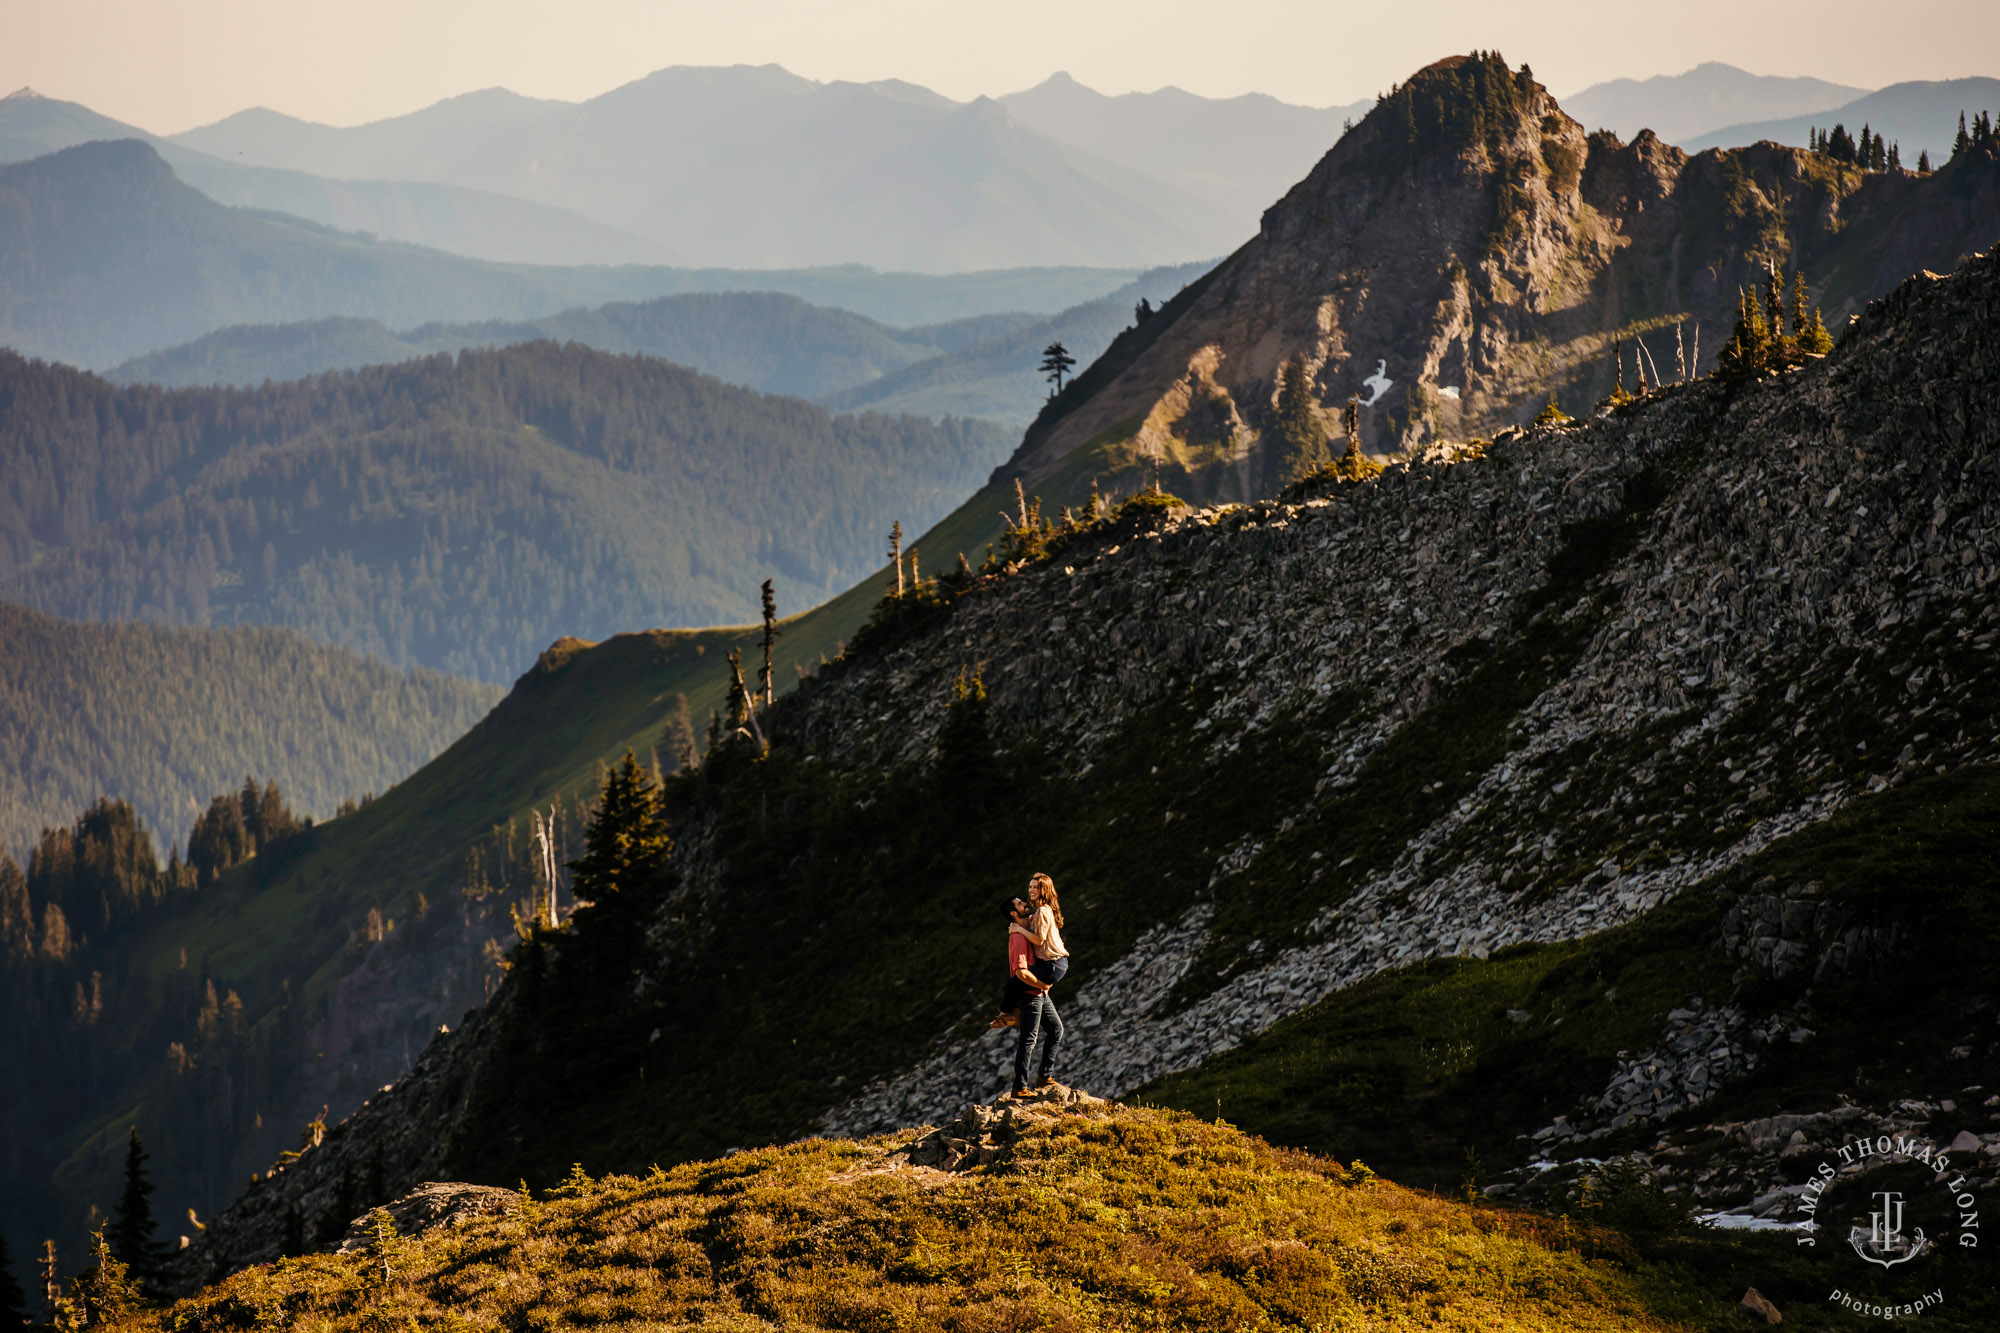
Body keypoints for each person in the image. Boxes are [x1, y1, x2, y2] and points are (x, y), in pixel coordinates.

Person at [1008, 872, 1068, 1097]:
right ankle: (1039, 1078)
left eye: (1036, 887)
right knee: (1054, 1029)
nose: (1031, 890)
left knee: (1029, 1036)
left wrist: (1018, 929)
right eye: (1030, 886)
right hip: (1049, 969)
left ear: (1044, 890)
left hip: (1052, 966)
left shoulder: (1042, 911)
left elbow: (1040, 940)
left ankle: (1025, 1084)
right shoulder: (1039, 912)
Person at [988, 898, 1045, 1029]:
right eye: (1020, 904)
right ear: (1013, 913)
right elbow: (1021, 972)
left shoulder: (1027, 926)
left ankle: (1008, 1014)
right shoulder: (1018, 937)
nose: (1025, 903)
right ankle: (1007, 1014)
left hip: (1034, 990)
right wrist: (1043, 985)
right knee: (1030, 1037)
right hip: (1031, 992)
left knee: (1055, 1030)